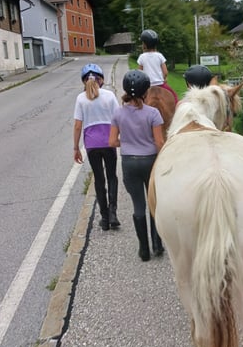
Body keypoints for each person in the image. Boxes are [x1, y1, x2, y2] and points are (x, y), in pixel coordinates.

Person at [109, 69, 165, 261]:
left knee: (138, 205)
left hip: (129, 163)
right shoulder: (153, 113)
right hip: (149, 162)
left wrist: (127, 142)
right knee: (154, 204)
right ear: (146, 92)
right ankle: (157, 244)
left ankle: (143, 249)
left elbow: (112, 142)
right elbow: (159, 143)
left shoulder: (118, 113)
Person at [73, 63, 121, 231]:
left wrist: (76, 148)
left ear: (84, 81)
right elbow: (118, 118)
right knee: (112, 176)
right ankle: (114, 213)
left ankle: (105, 217)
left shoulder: (80, 98)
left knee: (99, 180)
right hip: (109, 142)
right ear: (101, 80)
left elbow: (78, 126)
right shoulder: (109, 96)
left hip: (92, 145)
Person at [137, 29, 178, 104]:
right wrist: (164, 78)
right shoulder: (160, 56)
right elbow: (165, 72)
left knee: (136, 100)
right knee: (174, 96)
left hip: (147, 86)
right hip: (161, 85)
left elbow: (139, 74)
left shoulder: (142, 57)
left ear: (145, 45)